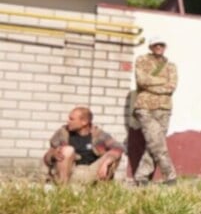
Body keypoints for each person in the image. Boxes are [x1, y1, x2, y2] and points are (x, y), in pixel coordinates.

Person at [133, 35, 178, 186]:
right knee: (157, 143)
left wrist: (152, 86)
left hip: (164, 108)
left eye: (162, 45)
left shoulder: (171, 66)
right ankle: (170, 176)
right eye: (156, 45)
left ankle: (141, 177)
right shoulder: (142, 60)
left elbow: (172, 86)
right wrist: (162, 83)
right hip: (145, 108)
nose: (159, 47)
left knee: (153, 144)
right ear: (151, 47)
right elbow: (141, 80)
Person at [43, 106, 124, 185]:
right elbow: (48, 155)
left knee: (114, 155)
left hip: (91, 172)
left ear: (84, 122)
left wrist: (107, 162)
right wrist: (53, 154)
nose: (68, 121)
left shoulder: (99, 135)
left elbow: (118, 148)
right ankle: (63, 188)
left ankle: (101, 187)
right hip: (71, 172)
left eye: (71, 119)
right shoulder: (63, 133)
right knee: (67, 150)